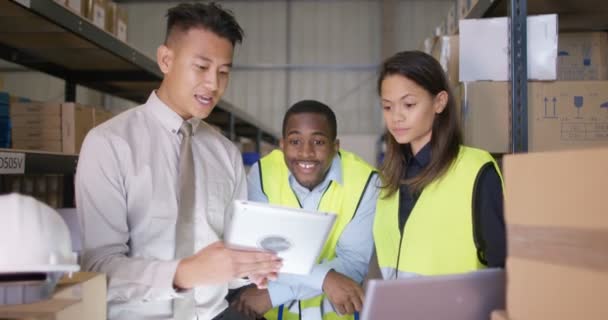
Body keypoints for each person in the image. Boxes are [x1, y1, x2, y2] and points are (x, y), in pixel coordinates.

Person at [75, 3, 282, 319]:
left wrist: (251, 269)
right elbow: (98, 269)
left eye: (223, 72)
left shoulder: (225, 154)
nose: (213, 84)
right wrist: (186, 273)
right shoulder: (109, 144)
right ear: (166, 60)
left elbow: (229, 254)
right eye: (201, 67)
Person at [232, 100, 380, 320]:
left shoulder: (366, 181)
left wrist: (273, 294)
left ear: (335, 145)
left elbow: (352, 264)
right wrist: (327, 279)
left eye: (318, 141)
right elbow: (260, 256)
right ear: (282, 144)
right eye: (295, 141)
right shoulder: (262, 173)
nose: (306, 152)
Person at [373, 51, 506, 280]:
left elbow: (504, 266)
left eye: (409, 104)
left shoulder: (475, 170)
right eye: (387, 107)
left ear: (439, 102)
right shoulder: (387, 180)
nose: (397, 117)